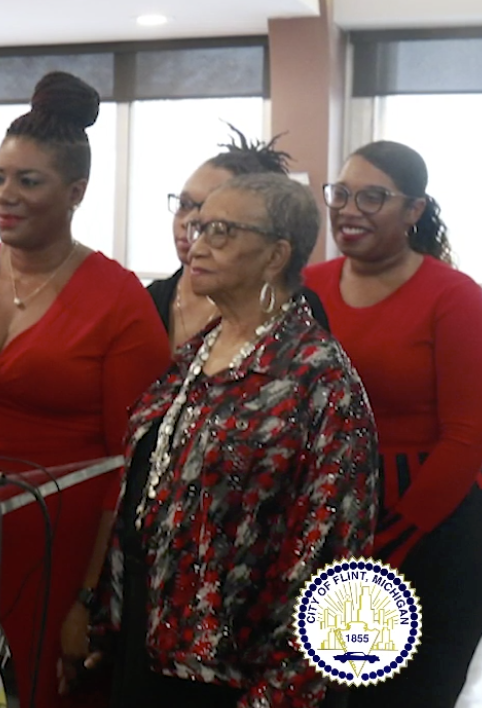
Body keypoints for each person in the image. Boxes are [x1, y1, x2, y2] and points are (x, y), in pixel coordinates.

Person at [0, 71, 170, 707]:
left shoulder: (120, 301)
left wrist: (88, 595)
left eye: (29, 181)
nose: (6, 195)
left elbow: (130, 465)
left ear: (76, 191)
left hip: (55, 540)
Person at [85, 173, 378, 707]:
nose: (197, 245)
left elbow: (336, 552)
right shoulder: (195, 355)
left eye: (220, 232)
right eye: (196, 226)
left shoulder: (318, 378)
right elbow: (144, 498)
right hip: (148, 646)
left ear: (274, 255)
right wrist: (105, 616)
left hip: (239, 675)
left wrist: (284, 691)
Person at [305, 141, 482, 708]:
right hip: (329, 519)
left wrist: (392, 537)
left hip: (430, 528)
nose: (349, 209)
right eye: (341, 193)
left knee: (410, 695)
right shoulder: (308, 287)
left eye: (372, 197)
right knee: (335, 692)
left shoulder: (455, 297)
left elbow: (467, 436)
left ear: (414, 210)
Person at [147, 127, 329, 350]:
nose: (190, 221)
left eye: (216, 222)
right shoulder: (148, 301)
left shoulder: (297, 311)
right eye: (184, 205)